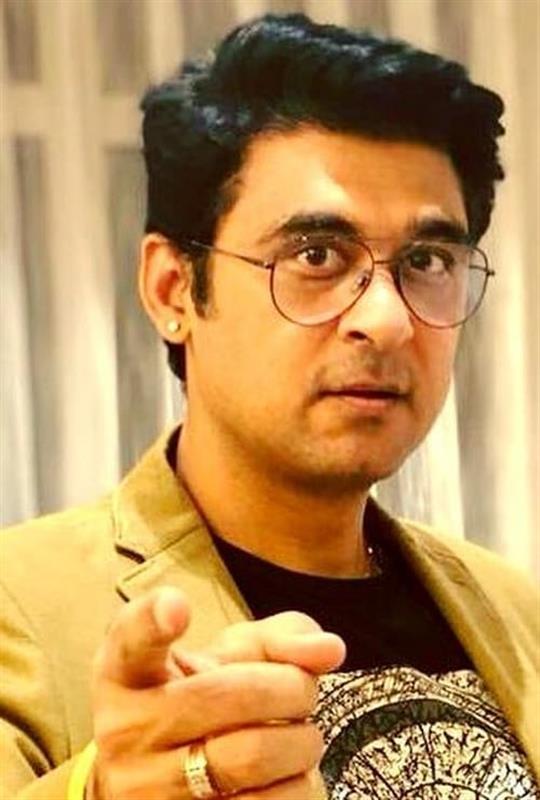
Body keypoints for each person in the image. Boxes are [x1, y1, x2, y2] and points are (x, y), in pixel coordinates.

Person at [1, 12, 538, 800]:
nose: (387, 319)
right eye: (316, 255)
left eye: (427, 261)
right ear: (173, 290)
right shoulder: (19, 607)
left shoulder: (515, 609)